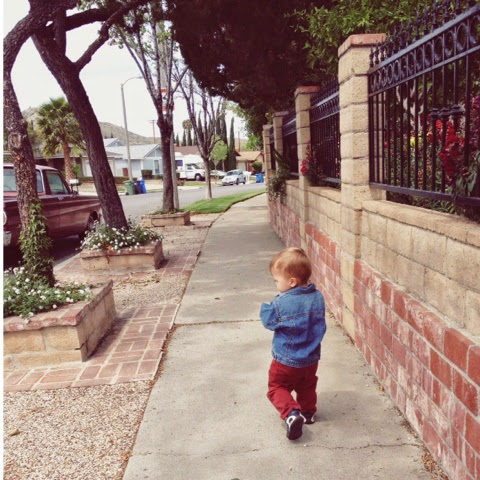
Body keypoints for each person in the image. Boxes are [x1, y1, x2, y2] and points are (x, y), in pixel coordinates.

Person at [260, 247, 327, 440]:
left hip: (286, 360)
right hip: (311, 358)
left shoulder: (281, 303)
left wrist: (267, 307)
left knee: (277, 387)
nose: (276, 284)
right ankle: (308, 412)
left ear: (292, 281)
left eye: (276, 280)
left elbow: (269, 322)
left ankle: (291, 413)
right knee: (307, 385)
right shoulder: (318, 297)